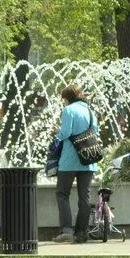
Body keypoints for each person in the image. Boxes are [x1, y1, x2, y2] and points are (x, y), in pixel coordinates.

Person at [53, 83, 98, 243]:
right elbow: (95, 132)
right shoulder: (89, 110)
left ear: (67, 98)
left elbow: (65, 133)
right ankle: (81, 233)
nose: (63, 102)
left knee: (62, 193)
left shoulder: (68, 110)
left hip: (69, 161)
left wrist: (55, 133)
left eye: (63, 99)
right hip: (88, 160)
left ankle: (66, 230)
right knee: (84, 197)